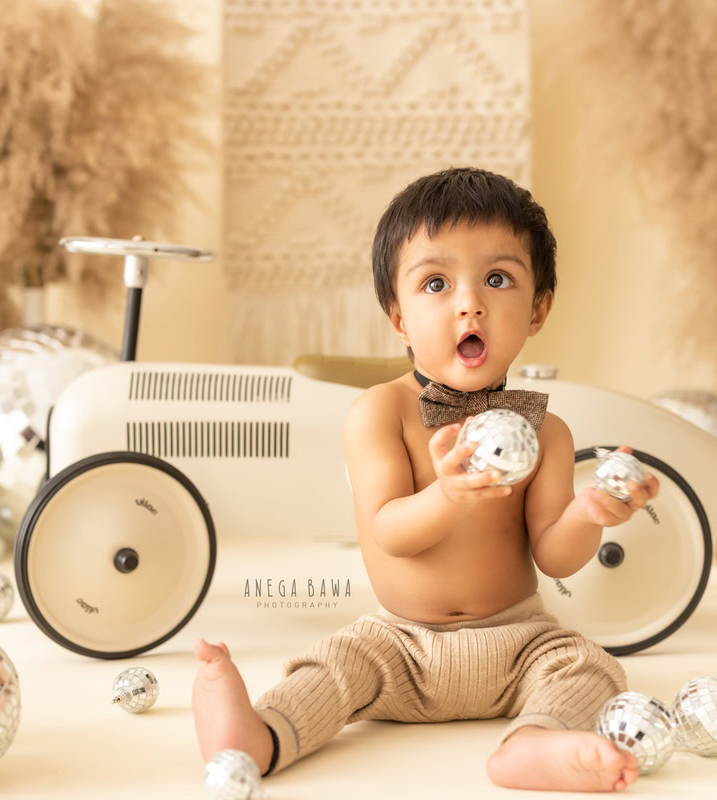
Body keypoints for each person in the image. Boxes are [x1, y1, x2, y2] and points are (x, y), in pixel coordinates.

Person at [191, 167, 660, 792]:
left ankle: (534, 742)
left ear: (539, 308)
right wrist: (449, 494)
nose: (470, 303)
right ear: (398, 317)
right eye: (436, 283)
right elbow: (391, 532)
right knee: (334, 668)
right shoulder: (380, 413)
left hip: (517, 643)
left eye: (498, 279)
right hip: (400, 646)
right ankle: (260, 733)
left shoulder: (546, 432)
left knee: (590, 668)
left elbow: (554, 557)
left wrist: (589, 513)